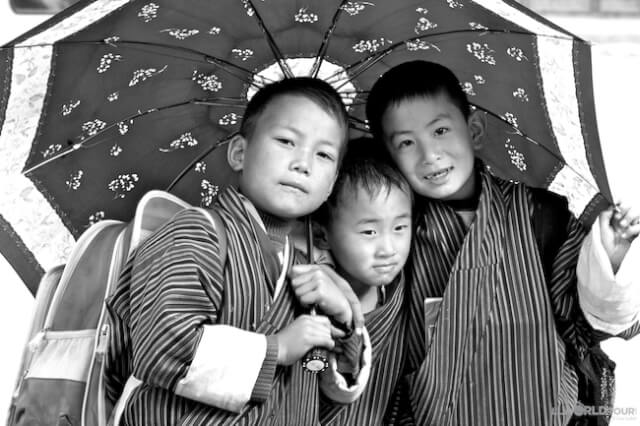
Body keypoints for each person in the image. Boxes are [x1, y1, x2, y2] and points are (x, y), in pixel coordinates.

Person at [365, 60, 640, 426]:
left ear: (474, 129)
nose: (429, 154)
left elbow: (593, 326)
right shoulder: (395, 233)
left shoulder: (540, 215)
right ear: (389, 158)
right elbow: (379, 343)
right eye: (406, 143)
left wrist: (612, 257)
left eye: (441, 130)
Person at [104, 77, 370, 425]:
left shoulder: (308, 274)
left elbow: (310, 370)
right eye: (287, 141)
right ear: (239, 153)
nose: (303, 163)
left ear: (331, 183)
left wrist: (342, 324)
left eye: (323, 154)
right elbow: (162, 348)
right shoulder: (195, 233)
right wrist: (279, 349)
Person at [290, 137, 413, 425]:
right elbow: (310, 377)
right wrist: (344, 326)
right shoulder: (306, 297)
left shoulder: (407, 289)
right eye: (369, 232)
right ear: (322, 235)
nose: (388, 249)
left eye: (399, 227)